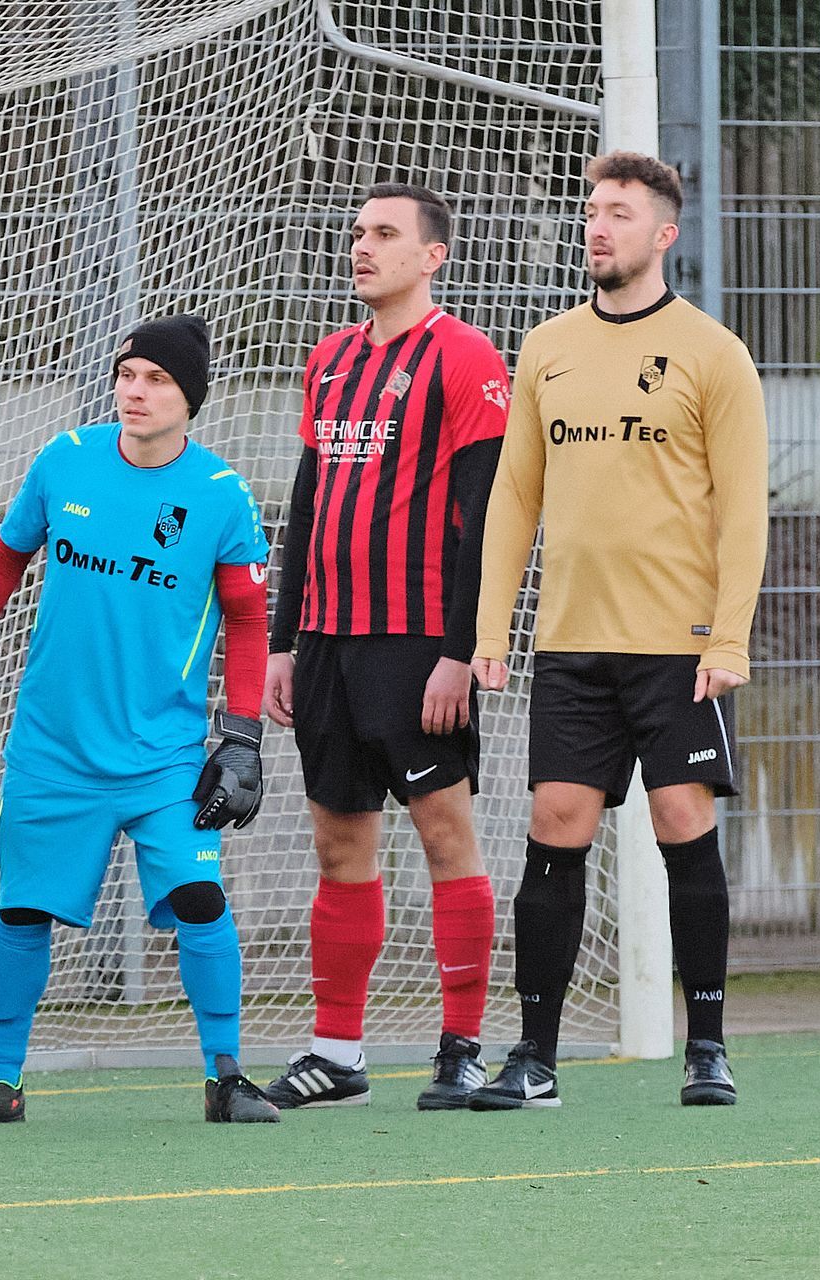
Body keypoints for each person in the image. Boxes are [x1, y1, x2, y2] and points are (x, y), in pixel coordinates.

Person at [0, 314, 281, 1126]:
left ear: (190, 399)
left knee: (201, 900)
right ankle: (0, 1081)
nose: (135, 391)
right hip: (53, 748)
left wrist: (242, 738)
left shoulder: (221, 494)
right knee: (22, 911)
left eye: (157, 380)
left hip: (164, 753)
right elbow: (5, 558)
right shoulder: (65, 459)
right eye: (126, 374)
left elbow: (249, 621)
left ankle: (227, 1077)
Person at [467, 151, 768, 1110]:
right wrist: (490, 628)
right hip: (571, 644)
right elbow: (515, 496)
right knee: (555, 827)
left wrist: (728, 639)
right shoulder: (546, 346)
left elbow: (743, 511)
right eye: (593, 210)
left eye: (621, 214)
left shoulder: (713, 353)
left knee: (683, 822)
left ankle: (707, 1047)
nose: (598, 226)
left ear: (664, 233)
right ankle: (535, 1059)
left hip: (680, 647)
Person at [259, 185, 508, 1111]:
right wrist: (282, 642)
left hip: (417, 643)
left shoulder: (465, 355)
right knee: (338, 842)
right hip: (326, 643)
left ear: (433, 255)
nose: (362, 246)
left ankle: (462, 1047)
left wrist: (460, 651)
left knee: (444, 833)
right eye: (358, 232)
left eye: (385, 233)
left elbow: (486, 520)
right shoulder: (328, 360)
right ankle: (337, 1055)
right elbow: (306, 504)